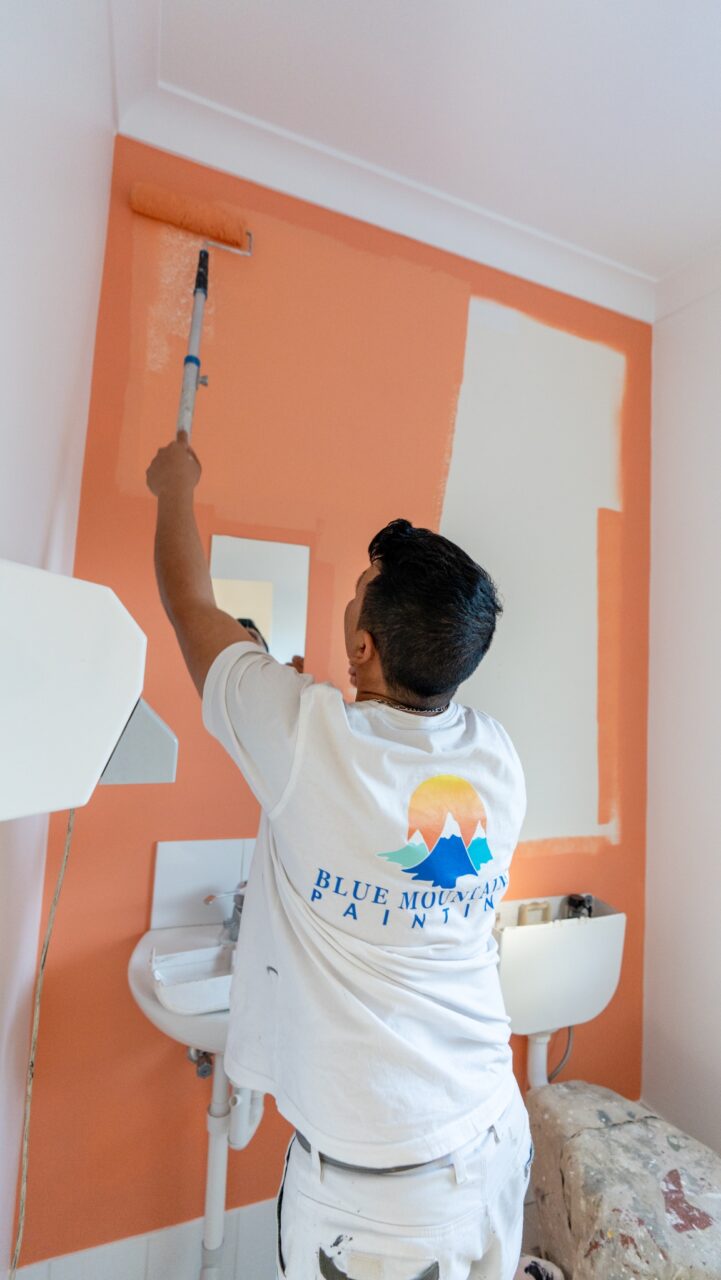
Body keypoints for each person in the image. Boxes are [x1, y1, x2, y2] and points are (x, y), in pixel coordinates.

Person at [147, 433, 533, 1280]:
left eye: (359, 595)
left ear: (363, 649)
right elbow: (375, 757)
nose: (353, 598)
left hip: (382, 1202)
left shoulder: (301, 736)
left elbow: (186, 603)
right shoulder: (496, 758)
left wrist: (173, 486)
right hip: (494, 1131)